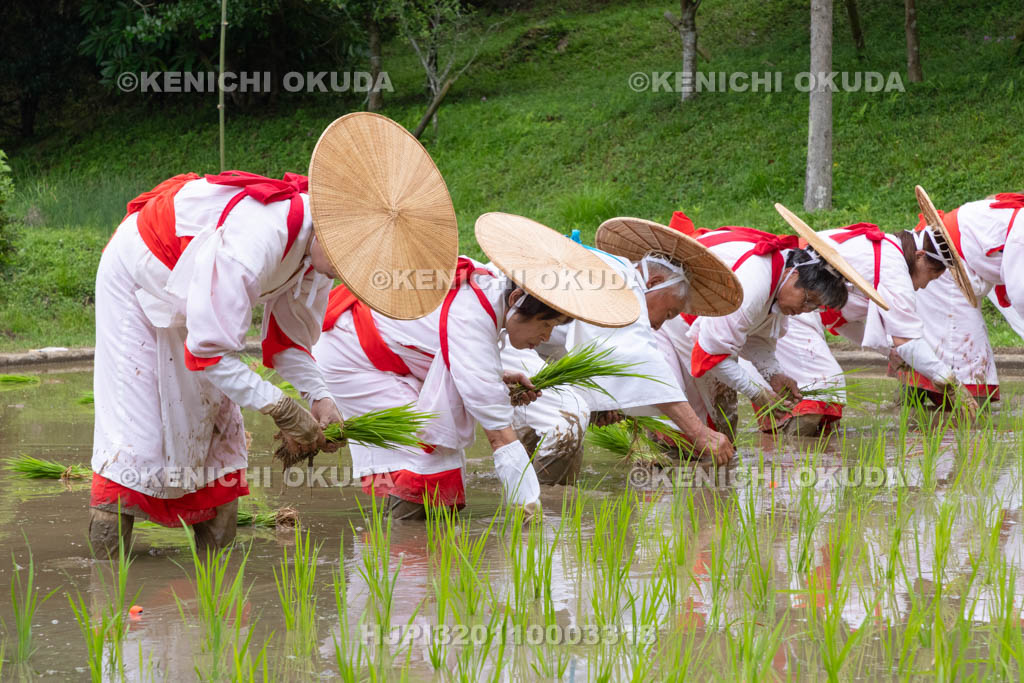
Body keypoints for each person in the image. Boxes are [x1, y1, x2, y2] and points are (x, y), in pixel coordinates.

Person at [89, 112, 459, 555]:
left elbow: (288, 342)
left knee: (217, 435)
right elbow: (209, 353)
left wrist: (320, 398)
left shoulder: (320, 253)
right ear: (331, 230)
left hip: (198, 301)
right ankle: (108, 579)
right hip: (138, 278)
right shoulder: (255, 241)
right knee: (136, 439)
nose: (344, 276)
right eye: (346, 265)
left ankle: (214, 578)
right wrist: (282, 408)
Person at [313, 212, 640, 520]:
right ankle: (402, 552)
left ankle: (410, 543)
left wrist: (495, 379)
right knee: (430, 461)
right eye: (547, 325)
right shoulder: (474, 313)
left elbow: (452, 355)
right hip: (355, 358)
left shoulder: (488, 298)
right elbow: (499, 435)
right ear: (516, 303)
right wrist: (530, 510)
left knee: (440, 464)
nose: (546, 336)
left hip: (396, 355)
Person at [510, 216, 744, 481]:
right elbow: (640, 360)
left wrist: (602, 401)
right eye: (668, 314)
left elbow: (584, 351)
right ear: (654, 283)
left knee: (538, 426)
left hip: (516, 342)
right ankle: (547, 510)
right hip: (505, 326)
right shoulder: (626, 282)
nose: (658, 326)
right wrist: (700, 433)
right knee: (567, 422)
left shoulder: (611, 273)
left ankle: (526, 492)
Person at [658, 207, 871, 439]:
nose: (804, 311)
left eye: (814, 307)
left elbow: (755, 337)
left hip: (701, 318)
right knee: (696, 423)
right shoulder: (754, 283)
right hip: (673, 309)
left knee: (722, 424)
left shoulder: (778, 279)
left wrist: (774, 374)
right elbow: (710, 356)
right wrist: (758, 393)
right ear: (794, 274)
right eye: (808, 300)